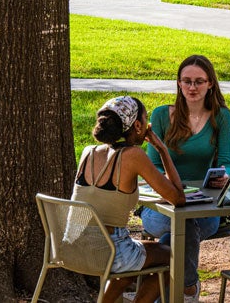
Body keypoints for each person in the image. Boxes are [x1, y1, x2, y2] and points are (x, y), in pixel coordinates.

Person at [73, 96, 186, 303]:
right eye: (145, 119)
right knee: (174, 256)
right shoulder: (133, 155)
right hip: (110, 251)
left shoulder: (88, 152)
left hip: (76, 247)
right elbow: (178, 198)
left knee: (138, 256)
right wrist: (161, 149)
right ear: (137, 125)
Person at [141, 55, 230, 302]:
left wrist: (223, 175)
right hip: (161, 204)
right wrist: (167, 187)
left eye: (199, 81)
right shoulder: (162, 115)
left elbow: (226, 160)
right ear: (179, 84)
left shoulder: (221, 116)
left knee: (180, 230)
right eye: (187, 81)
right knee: (180, 228)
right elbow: (152, 165)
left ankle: (168, 294)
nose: (193, 87)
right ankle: (189, 288)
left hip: (203, 205)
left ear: (210, 84)